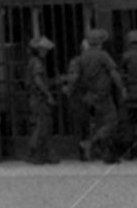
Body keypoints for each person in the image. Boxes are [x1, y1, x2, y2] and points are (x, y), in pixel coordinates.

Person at [63, 29, 126, 163]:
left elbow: (75, 77)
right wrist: (122, 88)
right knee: (112, 122)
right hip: (103, 95)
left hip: (89, 96)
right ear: (100, 42)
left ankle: (106, 153)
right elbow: (114, 73)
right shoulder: (103, 55)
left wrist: (69, 90)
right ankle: (91, 143)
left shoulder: (82, 57)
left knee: (100, 124)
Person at [24, 36, 57, 164]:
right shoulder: (37, 62)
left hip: (35, 98)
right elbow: (38, 80)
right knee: (42, 126)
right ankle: (35, 153)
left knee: (42, 126)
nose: (46, 51)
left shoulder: (33, 61)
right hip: (39, 98)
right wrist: (48, 95)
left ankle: (40, 153)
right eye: (44, 49)